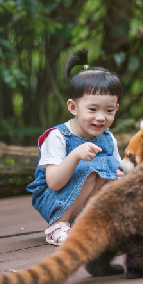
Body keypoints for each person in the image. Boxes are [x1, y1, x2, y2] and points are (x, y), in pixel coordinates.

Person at [26, 48, 124, 245]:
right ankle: (58, 226)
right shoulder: (58, 137)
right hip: (54, 200)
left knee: (115, 172)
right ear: (73, 107)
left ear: (116, 109)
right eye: (93, 109)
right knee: (88, 169)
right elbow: (53, 183)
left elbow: (117, 170)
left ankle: (90, 222)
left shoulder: (108, 138)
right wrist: (75, 156)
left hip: (86, 200)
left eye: (109, 110)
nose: (101, 117)